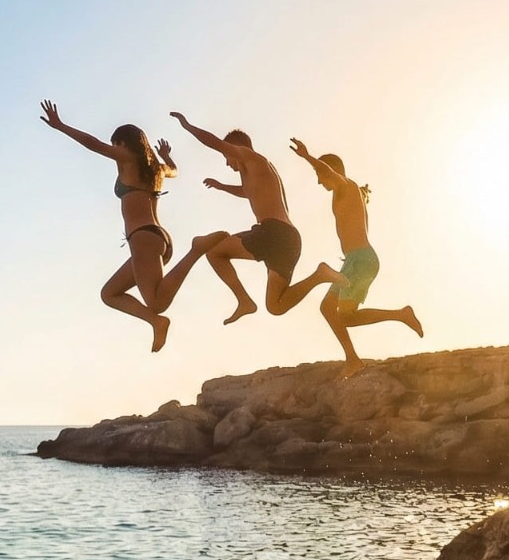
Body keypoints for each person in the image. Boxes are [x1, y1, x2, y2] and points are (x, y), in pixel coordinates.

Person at [39, 101, 209, 351]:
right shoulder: (157, 169)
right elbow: (174, 170)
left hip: (143, 239)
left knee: (156, 301)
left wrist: (61, 126)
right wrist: (166, 156)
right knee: (110, 293)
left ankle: (197, 249)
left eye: (115, 143)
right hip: (155, 239)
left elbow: (93, 144)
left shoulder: (128, 159)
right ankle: (156, 322)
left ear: (124, 143)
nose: (113, 148)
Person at [168, 110, 340, 323]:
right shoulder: (260, 170)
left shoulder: (249, 157)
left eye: (226, 156)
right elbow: (249, 191)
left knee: (214, 252)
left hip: (273, 232)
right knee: (276, 306)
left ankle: (244, 301)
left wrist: (187, 126)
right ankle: (319, 276)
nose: (227, 163)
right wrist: (222, 187)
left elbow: (212, 142)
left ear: (236, 149)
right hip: (289, 239)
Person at [289, 138, 423, 376]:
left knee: (329, 309)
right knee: (343, 316)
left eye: (321, 175)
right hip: (357, 261)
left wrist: (308, 157)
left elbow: (327, 171)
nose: (319, 181)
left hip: (361, 260)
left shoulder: (346, 186)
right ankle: (400, 315)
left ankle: (353, 359)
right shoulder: (345, 191)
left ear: (333, 172)